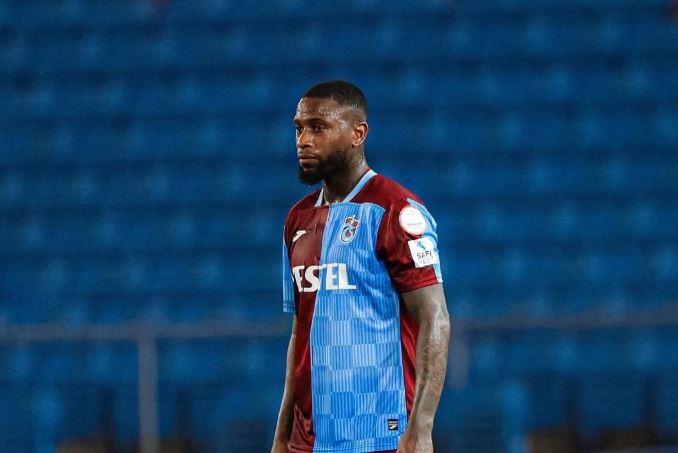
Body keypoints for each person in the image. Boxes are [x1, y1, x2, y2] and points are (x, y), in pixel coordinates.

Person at [272, 80, 450, 453]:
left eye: (318, 127)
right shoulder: (296, 220)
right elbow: (300, 332)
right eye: (299, 128)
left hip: (382, 435)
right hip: (309, 440)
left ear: (358, 133)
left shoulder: (396, 210)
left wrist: (421, 427)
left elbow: (435, 317)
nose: (303, 140)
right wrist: (283, 433)